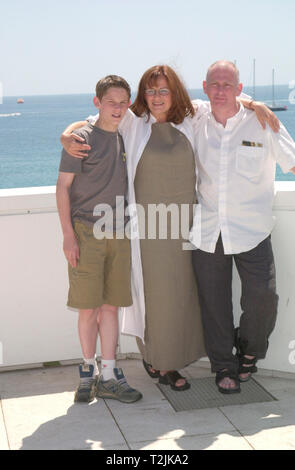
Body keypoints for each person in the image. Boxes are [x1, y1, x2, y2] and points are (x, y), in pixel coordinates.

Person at [60, 65, 278, 392]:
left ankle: (175, 357)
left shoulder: (191, 119)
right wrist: (67, 133)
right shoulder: (134, 122)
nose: (157, 97)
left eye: (164, 91)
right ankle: (160, 362)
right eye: (150, 91)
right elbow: (97, 119)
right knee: (155, 298)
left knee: (182, 298)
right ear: (142, 96)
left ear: (174, 93)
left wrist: (255, 104)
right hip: (146, 230)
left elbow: (224, 99)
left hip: (186, 228)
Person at [190, 60, 295, 394]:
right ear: (205, 88)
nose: (221, 91)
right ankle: (223, 366)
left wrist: (255, 104)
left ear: (239, 89)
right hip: (208, 231)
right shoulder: (194, 118)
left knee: (263, 297)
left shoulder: (262, 120)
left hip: (253, 229)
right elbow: (145, 111)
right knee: (214, 304)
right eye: (214, 85)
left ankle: (249, 351)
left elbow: (292, 162)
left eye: (228, 85)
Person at [56, 75, 142, 404]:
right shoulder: (80, 138)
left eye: (123, 102)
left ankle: (109, 375)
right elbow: (63, 187)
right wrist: (68, 236)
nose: (118, 108)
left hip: (118, 233)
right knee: (88, 308)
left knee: (110, 308)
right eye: (111, 102)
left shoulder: (126, 134)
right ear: (98, 103)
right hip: (85, 232)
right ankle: (86, 372)